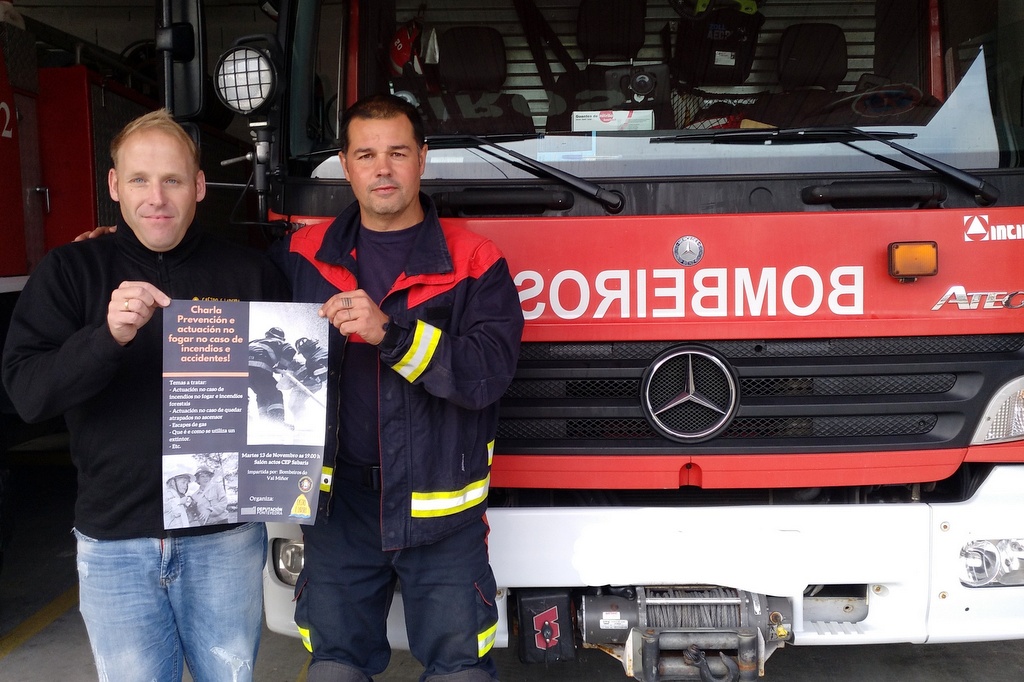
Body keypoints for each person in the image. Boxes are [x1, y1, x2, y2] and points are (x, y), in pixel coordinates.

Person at [2, 109, 289, 682]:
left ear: (199, 186)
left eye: (173, 180)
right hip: (115, 544)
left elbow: (284, 396)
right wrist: (104, 339)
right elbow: (28, 396)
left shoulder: (252, 276)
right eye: (139, 179)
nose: (156, 198)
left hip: (224, 540)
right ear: (114, 185)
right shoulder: (71, 271)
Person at [270, 93, 524, 682]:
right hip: (337, 509)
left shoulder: (475, 260)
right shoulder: (299, 256)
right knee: (334, 667)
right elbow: (225, 309)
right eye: (366, 155)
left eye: (398, 153)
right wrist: (124, 250)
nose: (382, 169)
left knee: (460, 671)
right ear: (345, 164)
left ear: (422, 159)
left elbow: (487, 371)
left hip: (443, 511)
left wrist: (390, 334)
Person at [248, 326, 300, 427]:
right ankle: (277, 422)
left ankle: (265, 421)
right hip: (259, 369)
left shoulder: (253, 341)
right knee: (275, 394)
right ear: (281, 337)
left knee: (261, 393)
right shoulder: (279, 342)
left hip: (242, 370)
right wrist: (281, 366)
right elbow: (290, 350)